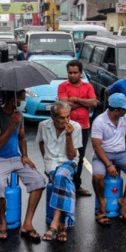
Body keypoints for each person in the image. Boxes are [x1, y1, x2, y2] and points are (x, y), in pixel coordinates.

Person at [0, 90, 46, 242]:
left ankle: (27, 223)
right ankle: (3, 223)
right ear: (13, 99)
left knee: (39, 181)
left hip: (15, 158)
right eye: (23, 98)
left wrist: (25, 155)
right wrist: (12, 123)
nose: (24, 101)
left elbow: (22, 137)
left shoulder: (19, 115)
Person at [91, 93, 126, 226]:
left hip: (121, 153)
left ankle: (124, 201)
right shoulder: (99, 122)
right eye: (124, 108)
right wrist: (108, 165)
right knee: (98, 176)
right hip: (103, 153)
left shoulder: (125, 118)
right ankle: (102, 204)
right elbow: (96, 146)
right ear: (116, 110)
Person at [37, 101, 82, 242]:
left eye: (68, 117)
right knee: (62, 179)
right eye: (62, 118)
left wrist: (69, 136)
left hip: (69, 162)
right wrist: (46, 162)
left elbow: (71, 156)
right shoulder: (43, 125)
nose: (66, 120)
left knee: (61, 175)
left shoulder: (75, 127)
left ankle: (56, 223)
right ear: (53, 117)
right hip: (52, 163)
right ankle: (64, 223)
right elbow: (41, 143)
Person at [58, 60, 98, 196]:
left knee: (79, 157)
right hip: (66, 126)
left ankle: (77, 185)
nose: (72, 75)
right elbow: (64, 106)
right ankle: (63, 184)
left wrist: (75, 99)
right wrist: (83, 103)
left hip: (83, 127)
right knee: (65, 155)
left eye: (75, 72)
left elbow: (94, 102)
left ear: (81, 73)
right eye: (70, 72)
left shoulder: (87, 86)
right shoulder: (62, 86)